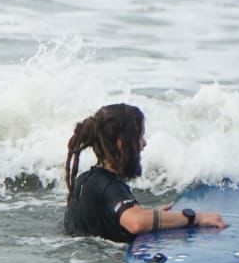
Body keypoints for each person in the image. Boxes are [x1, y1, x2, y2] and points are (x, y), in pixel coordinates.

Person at [63, 103, 224, 242]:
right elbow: (137, 223)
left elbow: (121, 217)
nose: (144, 144)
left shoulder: (84, 179)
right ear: (121, 144)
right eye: (140, 137)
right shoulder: (109, 186)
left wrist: (152, 216)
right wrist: (195, 218)